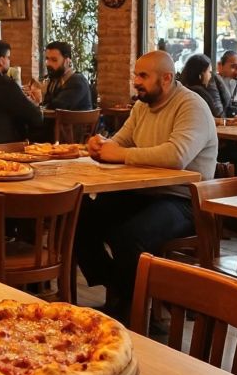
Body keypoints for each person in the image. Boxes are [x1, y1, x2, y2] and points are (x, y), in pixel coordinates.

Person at [75, 51, 218, 320]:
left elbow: (177, 155)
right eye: (135, 74)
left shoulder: (191, 106)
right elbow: (120, 141)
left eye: (143, 76)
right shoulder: (142, 105)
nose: (136, 81)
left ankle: (130, 311)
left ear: (166, 78)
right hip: (144, 192)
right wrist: (101, 145)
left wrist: (121, 154)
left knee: (129, 237)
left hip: (184, 200)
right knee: (78, 218)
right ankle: (122, 287)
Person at [26, 41, 94, 111]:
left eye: (54, 60)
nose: (48, 64)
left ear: (67, 61)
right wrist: (35, 99)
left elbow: (56, 107)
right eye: (47, 59)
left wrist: (38, 102)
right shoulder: (55, 79)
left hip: (73, 121)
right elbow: (47, 104)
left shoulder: (77, 81)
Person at [176, 54, 227, 119]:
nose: (210, 76)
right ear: (200, 74)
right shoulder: (199, 93)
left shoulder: (182, 91)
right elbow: (211, 119)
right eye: (209, 72)